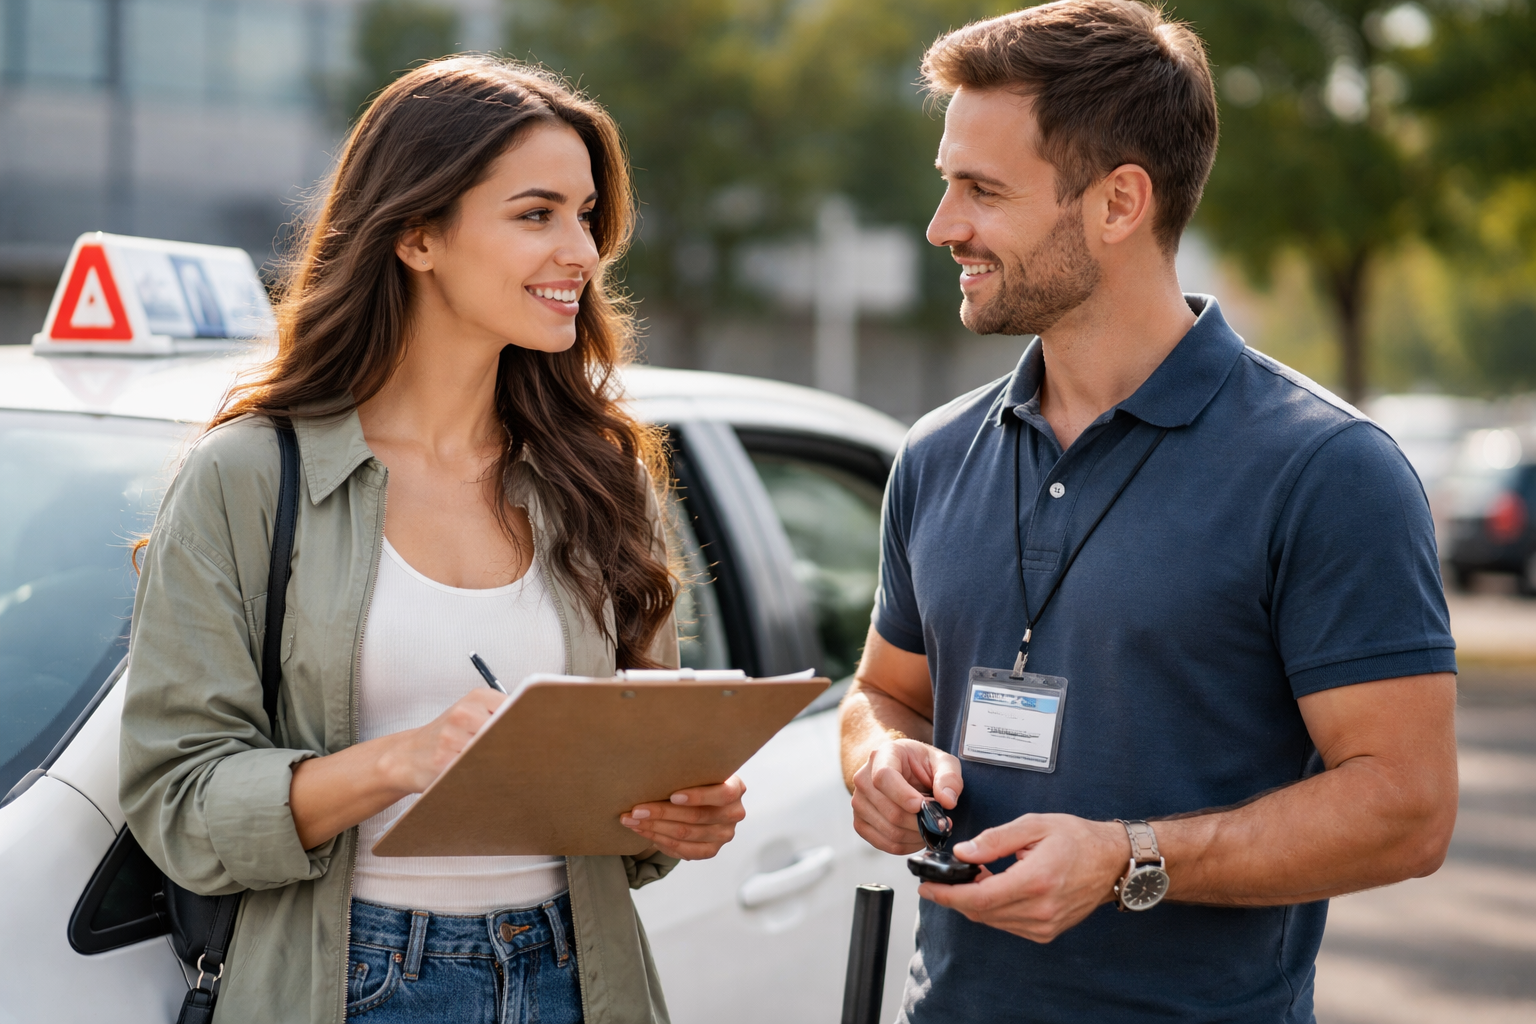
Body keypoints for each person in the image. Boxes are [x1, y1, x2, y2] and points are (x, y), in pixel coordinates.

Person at [839, 3, 1459, 1021]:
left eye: (981, 191)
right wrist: (875, 758)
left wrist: (1130, 858)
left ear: (1120, 202)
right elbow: (885, 688)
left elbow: (1408, 807)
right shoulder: (935, 453)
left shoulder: (1326, 468)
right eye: (947, 184)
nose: (943, 225)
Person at [120, 57, 746, 1024]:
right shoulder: (249, 476)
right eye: (536, 214)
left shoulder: (603, 473)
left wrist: (674, 816)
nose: (580, 250)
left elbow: (635, 777)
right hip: (353, 979)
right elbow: (178, 802)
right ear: (416, 235)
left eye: (586, 216)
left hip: (580, 975)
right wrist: (401, 761)